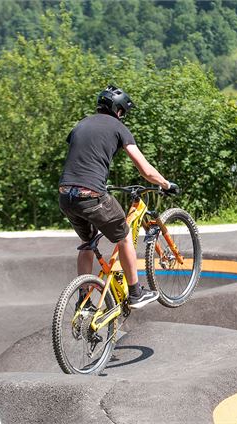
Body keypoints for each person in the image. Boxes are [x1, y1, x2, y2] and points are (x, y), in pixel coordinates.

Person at [58, 86, 179, 309]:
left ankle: (84, 302)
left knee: (87, 243)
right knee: (123, 236)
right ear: (119, 111)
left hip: (66, 195)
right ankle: (135, 293)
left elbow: (83, 159)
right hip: (92, 195)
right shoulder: (118, 127)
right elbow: (145, 169)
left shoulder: (81, 125)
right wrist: (165, 183)